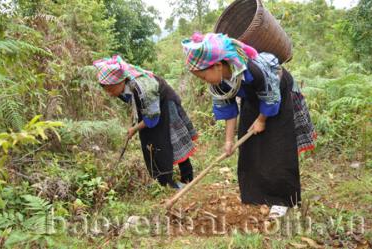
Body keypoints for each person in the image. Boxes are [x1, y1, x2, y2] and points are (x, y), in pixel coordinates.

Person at [181, 32, 316, 217]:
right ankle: (256, 195)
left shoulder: (253, 70)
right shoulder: (218, 83)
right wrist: (228, 142)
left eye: (204, 77)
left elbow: (271, 96)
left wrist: (261, 119)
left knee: (277, 146)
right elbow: (228, 110)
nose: (205, 82)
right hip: (252, 98)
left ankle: (281, 200)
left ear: (218, 66)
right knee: (249, 146)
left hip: (277, 94)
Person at [93, 55, 198, 189]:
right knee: (149, 140)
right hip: (150, 107)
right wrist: (136, 124)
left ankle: (186, 178)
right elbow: (137, 106)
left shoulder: (144, 89)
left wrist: (134, 129)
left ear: (121, 81)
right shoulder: (123, 87)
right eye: (106, 90)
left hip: (165, 102)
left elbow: (152, 120)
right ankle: (162, 179)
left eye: (111, 89)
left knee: (172, 139)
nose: (110, 94)